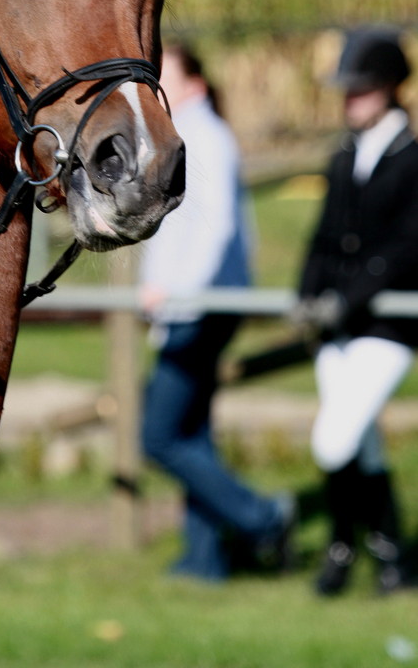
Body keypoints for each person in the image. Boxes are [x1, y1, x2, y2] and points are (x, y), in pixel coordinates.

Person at [139, 41, 294, 582]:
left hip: (200, 308)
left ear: (195, 86)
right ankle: (205, 560)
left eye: (166, 76)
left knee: (157, 437)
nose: (156, 83)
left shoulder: (207, 137)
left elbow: (217, 228)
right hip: (190, 306)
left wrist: (176, 296)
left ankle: (265, 517)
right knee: (191, 432)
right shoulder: (184, 134)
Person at [292, 25, 418, 596]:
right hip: (337, 326)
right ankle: (389, 557)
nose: (350, 100)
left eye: (360, 89)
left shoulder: (411, 156)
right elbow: (325, 235)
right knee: (363, 442)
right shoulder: (344, 154)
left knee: (334, 439)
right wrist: (307, 293)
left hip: (388, 325)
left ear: (390, 88)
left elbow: (405, 246)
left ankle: (342, 541)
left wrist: (347, 298)